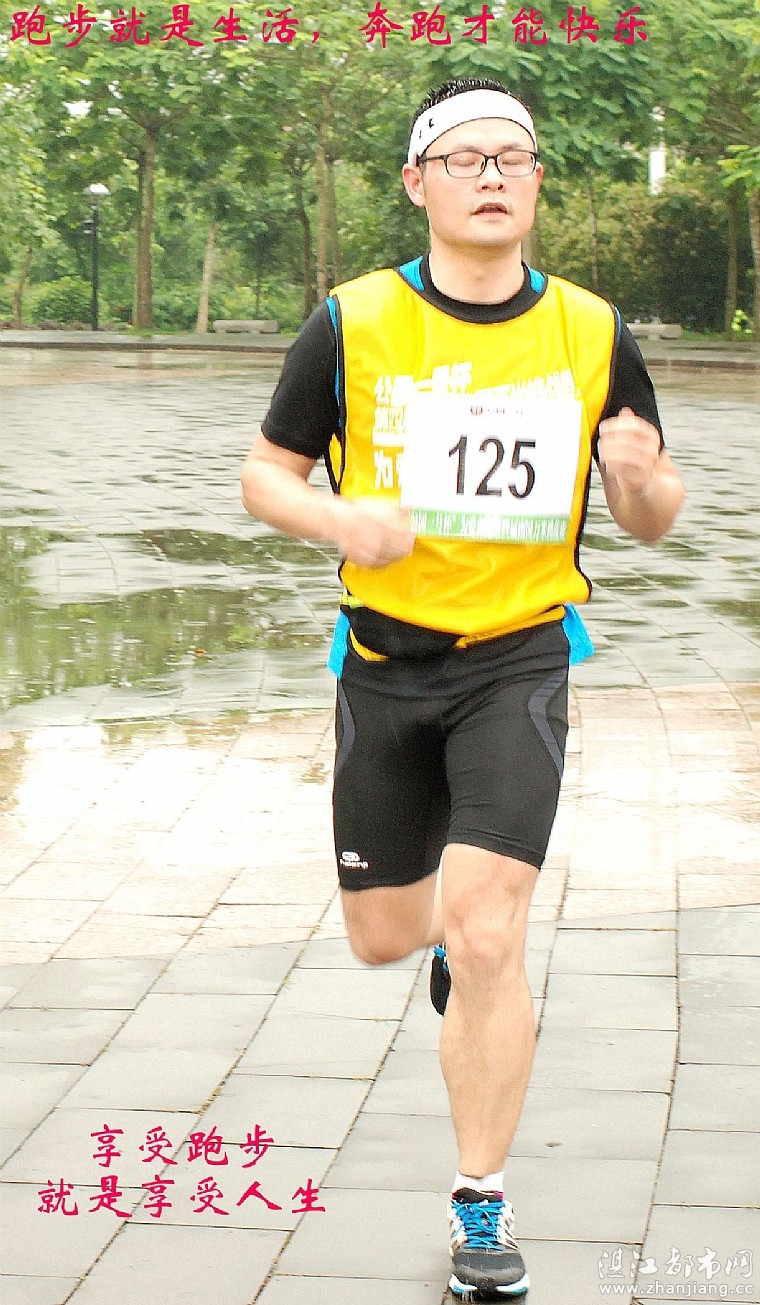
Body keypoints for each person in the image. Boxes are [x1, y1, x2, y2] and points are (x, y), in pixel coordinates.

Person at [241, 77, 684, 1299]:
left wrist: (636, 479)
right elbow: (265, 475)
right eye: (465, 158)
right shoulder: (353, 320)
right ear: (416, 182)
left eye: (514, 157)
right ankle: (450, 953)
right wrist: (337, 519)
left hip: (518, 659)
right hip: (383, 664)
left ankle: (480, 1202)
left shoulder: (591, 330)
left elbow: (652, 514)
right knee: (389, 937)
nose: (493, 176)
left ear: (537, 182)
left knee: (489, 929)